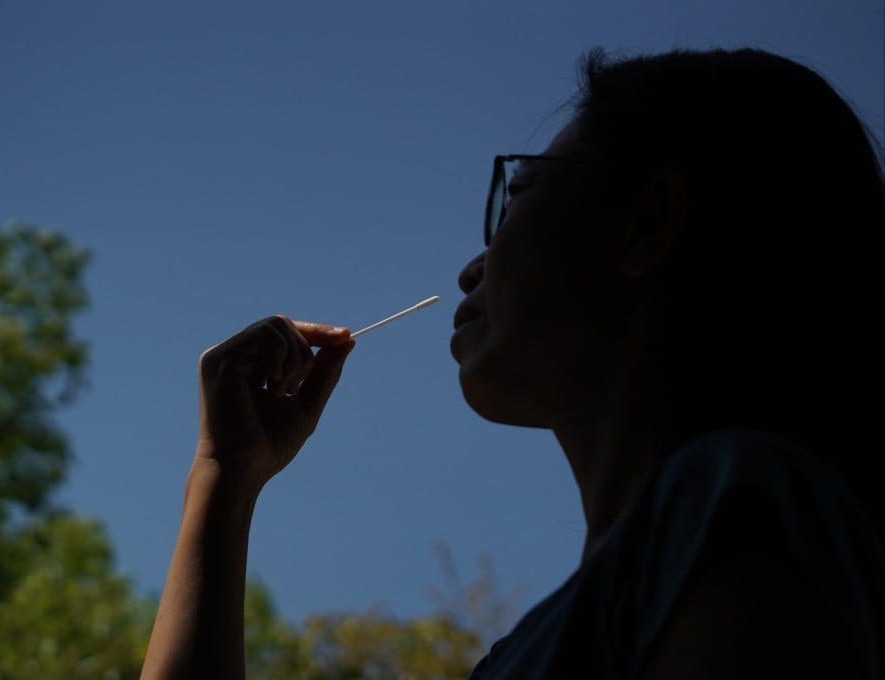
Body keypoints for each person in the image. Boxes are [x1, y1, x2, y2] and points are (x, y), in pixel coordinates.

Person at [141, 47, 885, 679]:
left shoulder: (736, 500)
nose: (474, 267)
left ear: (651, 223)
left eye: (518, 193)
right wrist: (224, 478)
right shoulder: (525, 654)